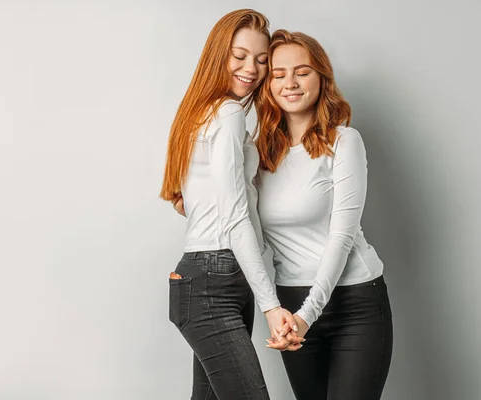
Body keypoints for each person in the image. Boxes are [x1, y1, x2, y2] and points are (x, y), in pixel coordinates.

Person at [159, 11, 303, 400]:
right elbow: (235, 215)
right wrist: (273, 306)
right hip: (214, 280)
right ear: (218, 54)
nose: (251, 70)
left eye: (261, 61)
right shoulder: (226, 113)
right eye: (239, 56)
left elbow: (198, 202)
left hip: (213, 278)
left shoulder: (201, 112)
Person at [255, 30, 393, 400]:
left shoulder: (344, 141)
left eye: (302, 71)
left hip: (354, 302)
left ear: (321, 78)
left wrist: (306, 316)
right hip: (291, 302)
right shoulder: (258, 154)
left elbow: (341, 236)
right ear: (267, 85)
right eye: (278, 74)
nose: (290, 83)